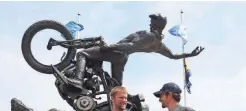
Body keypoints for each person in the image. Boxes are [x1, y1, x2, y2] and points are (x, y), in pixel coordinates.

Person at [66, 14, 204, 89]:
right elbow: (173, 56)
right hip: (122, 58)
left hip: (117, 52)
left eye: (152, 22)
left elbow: (130, 45)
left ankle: (78, 80)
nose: (150, 24)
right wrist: (191, 54)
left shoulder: (148, 35)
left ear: (156, 25)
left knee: (82, 54)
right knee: (116, 87)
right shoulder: (159, 45)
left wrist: (109, 47)